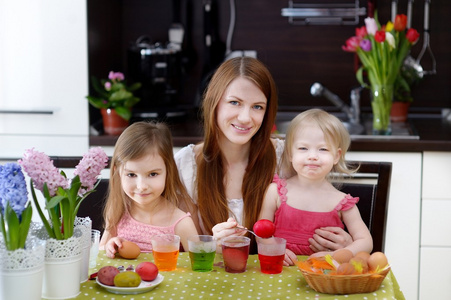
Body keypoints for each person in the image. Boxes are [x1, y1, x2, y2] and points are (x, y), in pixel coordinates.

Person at [175, 56, 351, 253]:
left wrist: (343, 241)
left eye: (257, 107)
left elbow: (319, 211)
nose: (245, 118)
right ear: (214, 102)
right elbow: (184, 246)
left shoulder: (286, 157)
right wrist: (209, 246)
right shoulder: (187, 163)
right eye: (234, 102)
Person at [259, 109, 373, 265]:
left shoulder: (342, 202)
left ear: (336, 156)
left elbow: (365, 241)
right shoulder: (275, 191)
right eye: (303, 148)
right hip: (279, 271)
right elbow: (261, 231)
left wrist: (340, 255)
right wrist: (273, 248)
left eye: (323, 149)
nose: (312, 156)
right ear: (290, 154)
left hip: (323, 275)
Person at [100, 121, 198, 258]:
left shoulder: (181, 223)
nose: (142, 186)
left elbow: (199, 265)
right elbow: (100, 252)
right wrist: (111, 245)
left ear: (168, 171)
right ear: (118, 173)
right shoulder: (118, 211)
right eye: (131, 175)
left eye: (152, 174)